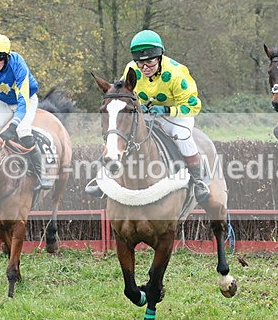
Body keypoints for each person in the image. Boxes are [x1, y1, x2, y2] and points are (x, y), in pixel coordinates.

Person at [86, 29, 210, 203]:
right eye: (139, 63)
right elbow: (123, 93)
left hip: (176, 115)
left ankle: (198, 181)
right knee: (121, 132)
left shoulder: (176, 74)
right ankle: (105, 176)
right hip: (146, 113)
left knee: (183, 136)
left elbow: (194, 106)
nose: (144, 68)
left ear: (159, 57)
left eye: (149, 62)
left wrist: (165, 110)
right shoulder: (131, 69)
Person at [0, 34, 52, 190]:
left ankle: (42, 174)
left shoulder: (18, 65)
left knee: (22, 130)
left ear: (7, 55)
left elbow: (23, 101)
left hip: (26, 100)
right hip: (4, 102)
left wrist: (12, 127)